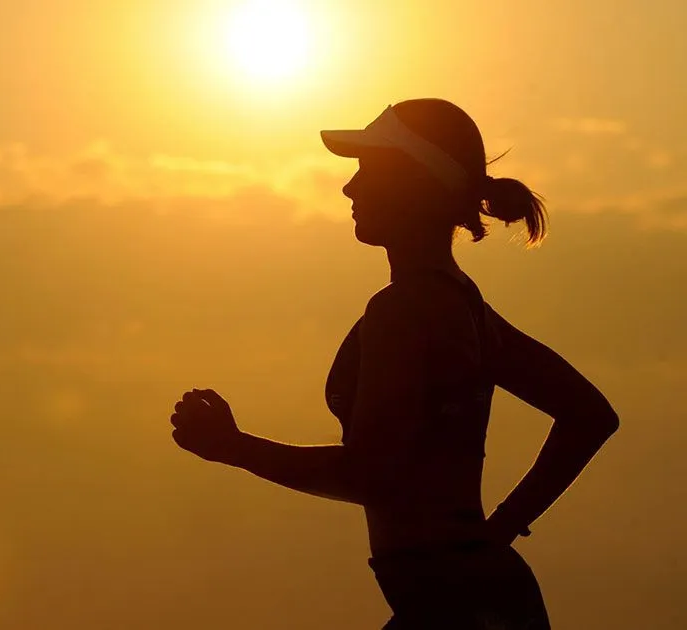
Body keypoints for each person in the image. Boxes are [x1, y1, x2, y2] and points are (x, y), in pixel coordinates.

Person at [168, 98, 620, 629]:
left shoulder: (404, 310)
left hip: (455, 605)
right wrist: (498, 531)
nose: (349, 188)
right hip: (469, 597)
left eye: (369, 171)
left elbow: (372, 474)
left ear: (417, 184)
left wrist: (235, 448)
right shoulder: (462, 304)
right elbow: (589, 415)